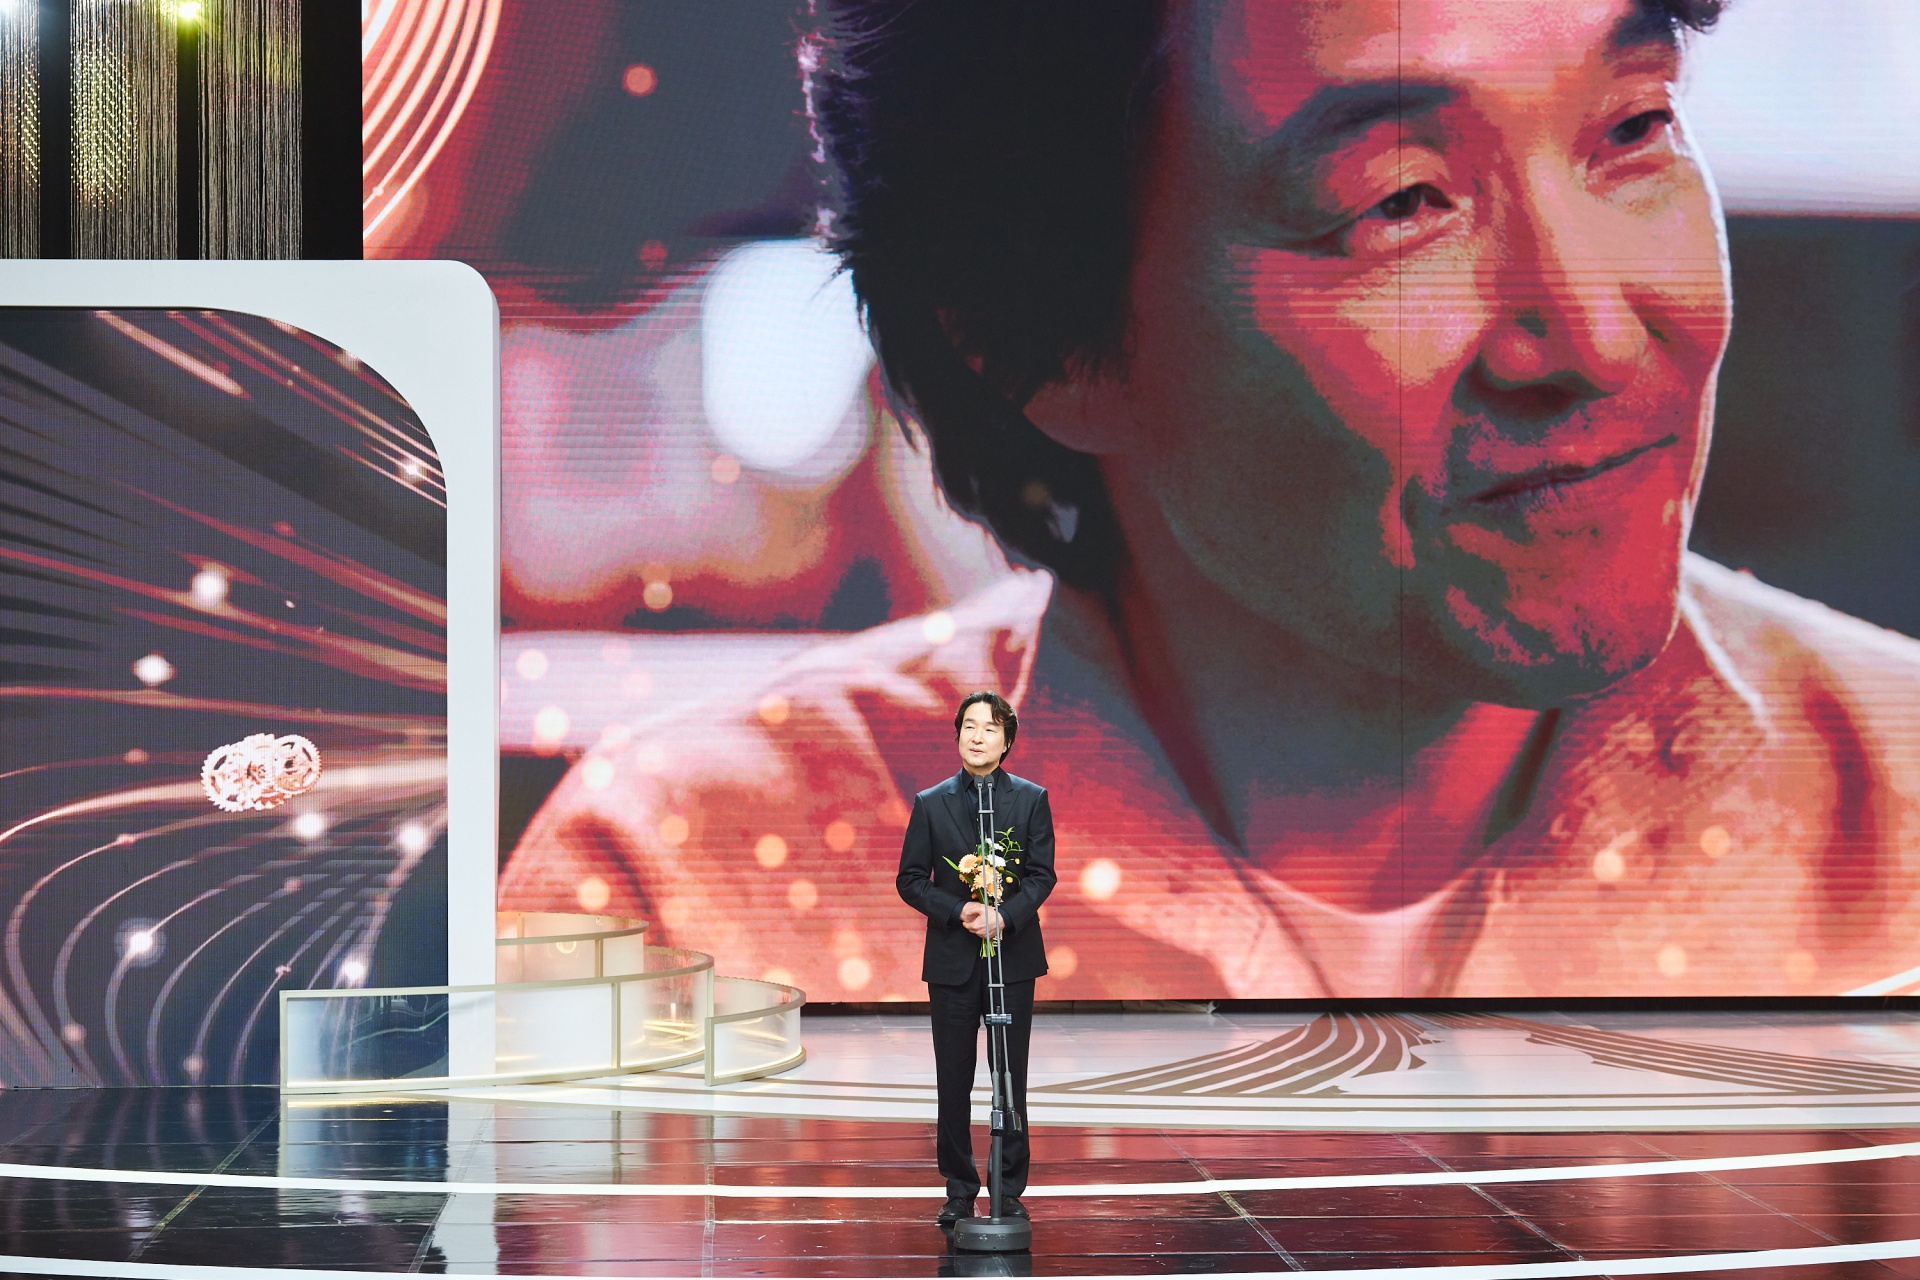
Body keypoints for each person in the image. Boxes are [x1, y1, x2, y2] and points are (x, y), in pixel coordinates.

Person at [499, 0, 1920, 1001]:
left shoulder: (1899, 825)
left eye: (1635, 127)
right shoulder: (702, 907)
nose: (1599, 335)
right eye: (1402, 200)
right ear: (1038, 344)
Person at [896, 691, 1056, 1225]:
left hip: (1012, 959)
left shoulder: (1030, 799)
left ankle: (1007, 1188)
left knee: (1009, 1074)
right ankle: (960, 1188)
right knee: (954, 1079)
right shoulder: (930, 802)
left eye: (989, 728)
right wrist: (958, 909)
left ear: (1007, 740)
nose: (978, 736)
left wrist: (1004, 917)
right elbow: (910, 880)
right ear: (958, 735)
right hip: (953, 962)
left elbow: (1042, 876)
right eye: (969, 726)